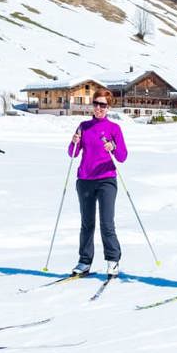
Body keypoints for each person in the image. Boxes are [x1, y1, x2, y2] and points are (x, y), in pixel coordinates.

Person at [68, 89, 127, 277]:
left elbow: (122, 156)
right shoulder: (83, 126)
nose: (99, 108)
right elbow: (73, 153)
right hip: (85, 179)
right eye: (96, 104)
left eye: (103, 105)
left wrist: (113, 147)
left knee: (106, 222)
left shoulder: (114, 128)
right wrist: (73, 141)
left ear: (108, 107)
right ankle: (84, 261)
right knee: (87, 223)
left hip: (106, 179)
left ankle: (113, 260)